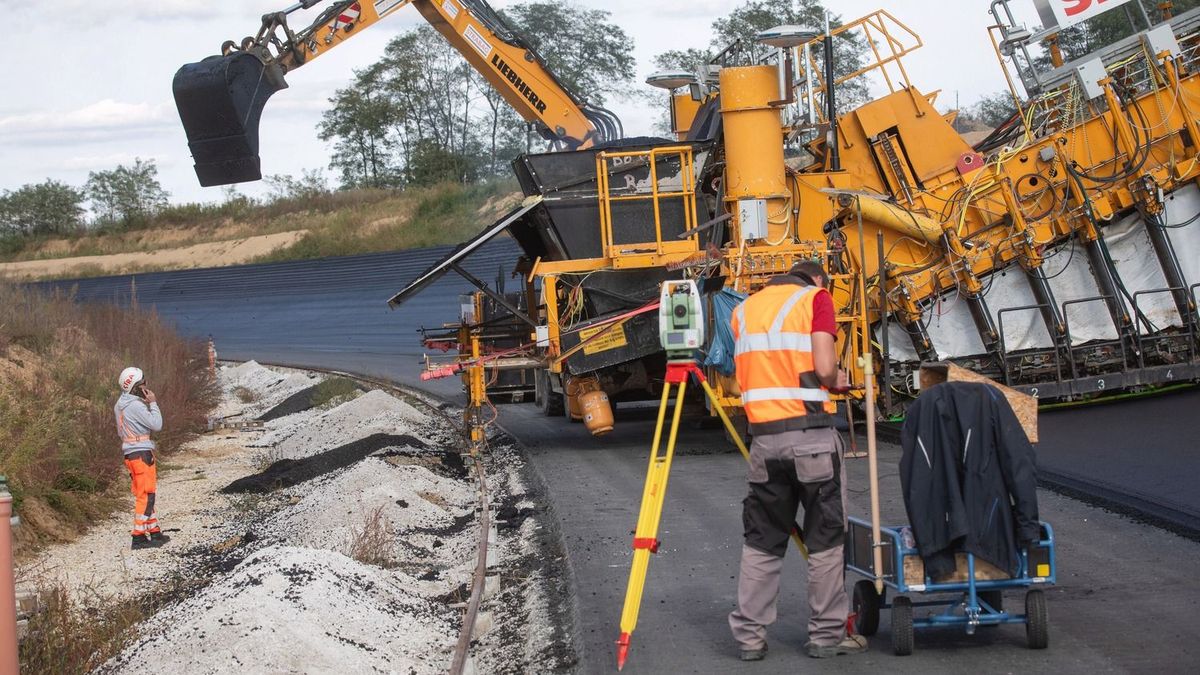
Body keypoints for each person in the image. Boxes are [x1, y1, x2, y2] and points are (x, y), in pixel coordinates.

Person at [727, 260, 866, 660]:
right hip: (811, 439)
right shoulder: (815, 299)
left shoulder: (745, 310)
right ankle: (826, 635)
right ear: (818, 279)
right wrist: (836, 378)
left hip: (764, 444)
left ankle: (750, 638)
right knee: (824, 540)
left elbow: (741, 379)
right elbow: (823, 368)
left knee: (762, 541)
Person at [114, 366, 170, 550]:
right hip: (141, 454)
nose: (146, 384)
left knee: (143, 493)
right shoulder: (136, 405)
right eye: (143, 382)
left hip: (130, 454)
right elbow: (157, 424)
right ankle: (138, 536)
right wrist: (153, 403)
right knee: (146, 495)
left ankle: (154, 531)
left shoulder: (119, 405)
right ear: (136, 386)